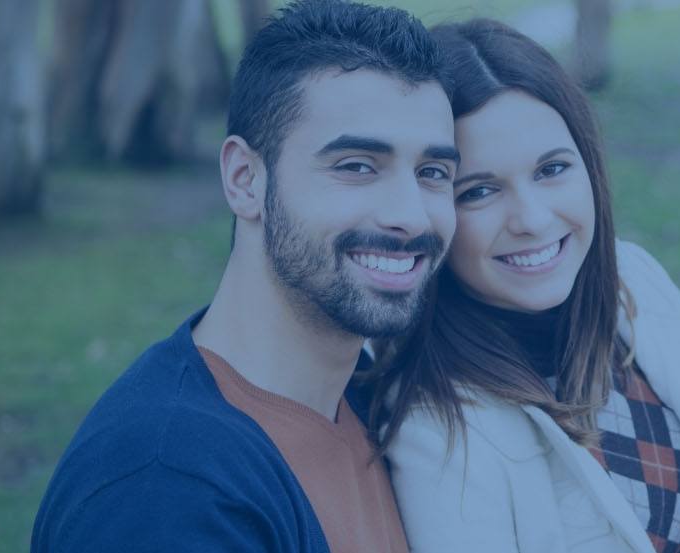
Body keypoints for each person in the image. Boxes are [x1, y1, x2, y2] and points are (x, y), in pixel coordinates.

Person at [368, 18, 680, 553]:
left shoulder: (636, 281)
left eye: (552, 169)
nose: (532, 218)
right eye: (479, 191)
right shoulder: (438, 431)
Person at [31, 1, 458, 551]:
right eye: (356, 166)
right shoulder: (165, 491)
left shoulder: (366, 398)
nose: (411, 214)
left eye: (433, 173)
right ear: (244, 179)